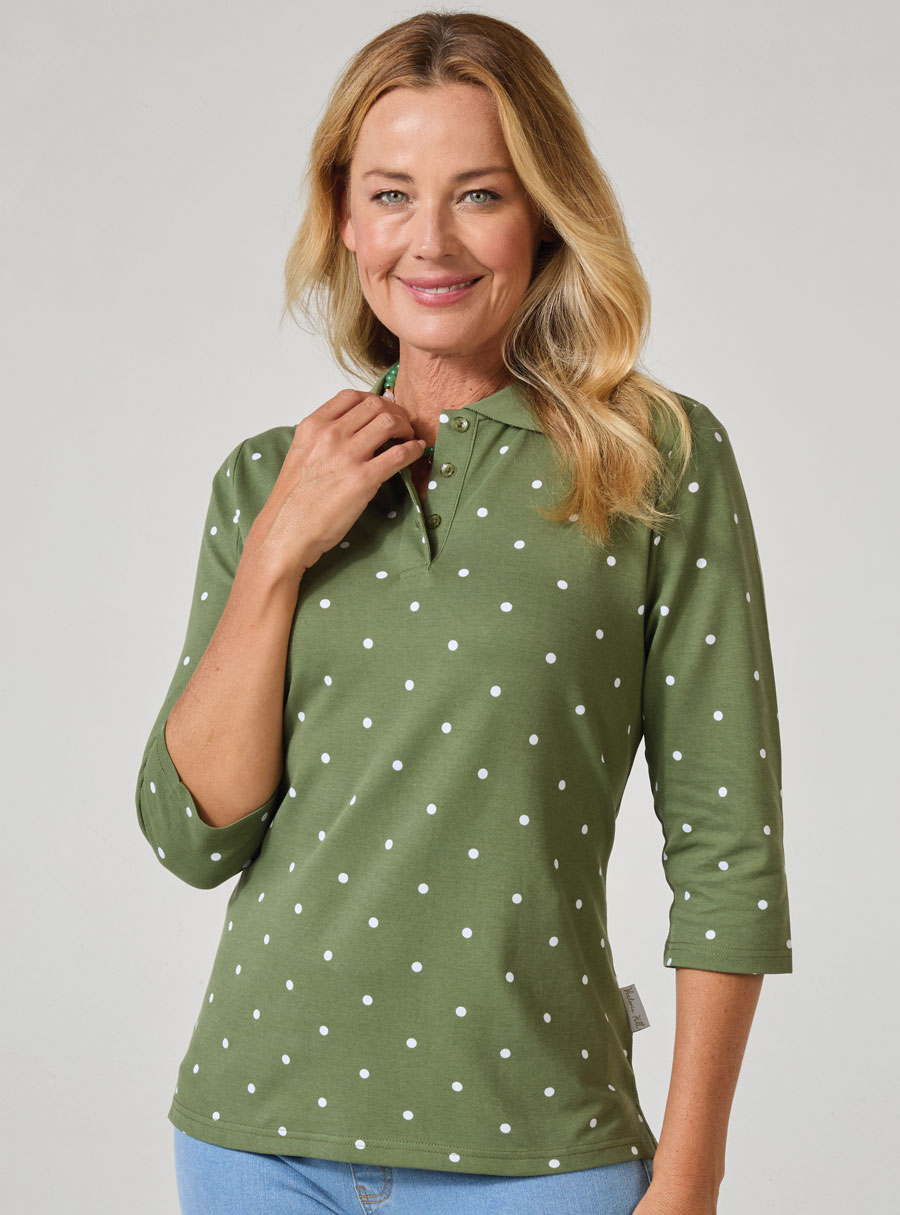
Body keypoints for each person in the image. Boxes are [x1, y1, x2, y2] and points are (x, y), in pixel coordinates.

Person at [135, 11, 793, 1214]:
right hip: (255, 1141)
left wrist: (692, 1172)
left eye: (478, 194)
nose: (429, 241)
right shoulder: (268, 477)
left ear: (543, 212)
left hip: (542, 1155)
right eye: (391, 195)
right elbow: (194, 833)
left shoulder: (655, 460)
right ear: (346, 218)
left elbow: (728, 846)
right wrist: (278, 548)